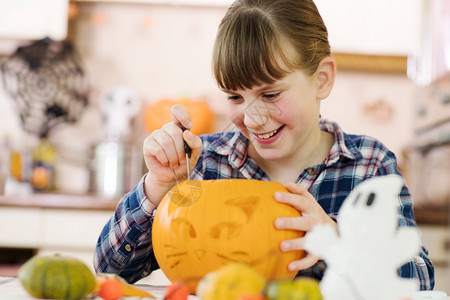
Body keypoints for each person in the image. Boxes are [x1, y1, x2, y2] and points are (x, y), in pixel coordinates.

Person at [94, 0, 434, 290]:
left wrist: (339, 240)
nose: (252, 118)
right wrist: (157, 189)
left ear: (322, 79)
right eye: (235, 96)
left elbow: (418, 282)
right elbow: (110, 271)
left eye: (270, 94)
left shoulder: (369, 165)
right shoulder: (202, 164)